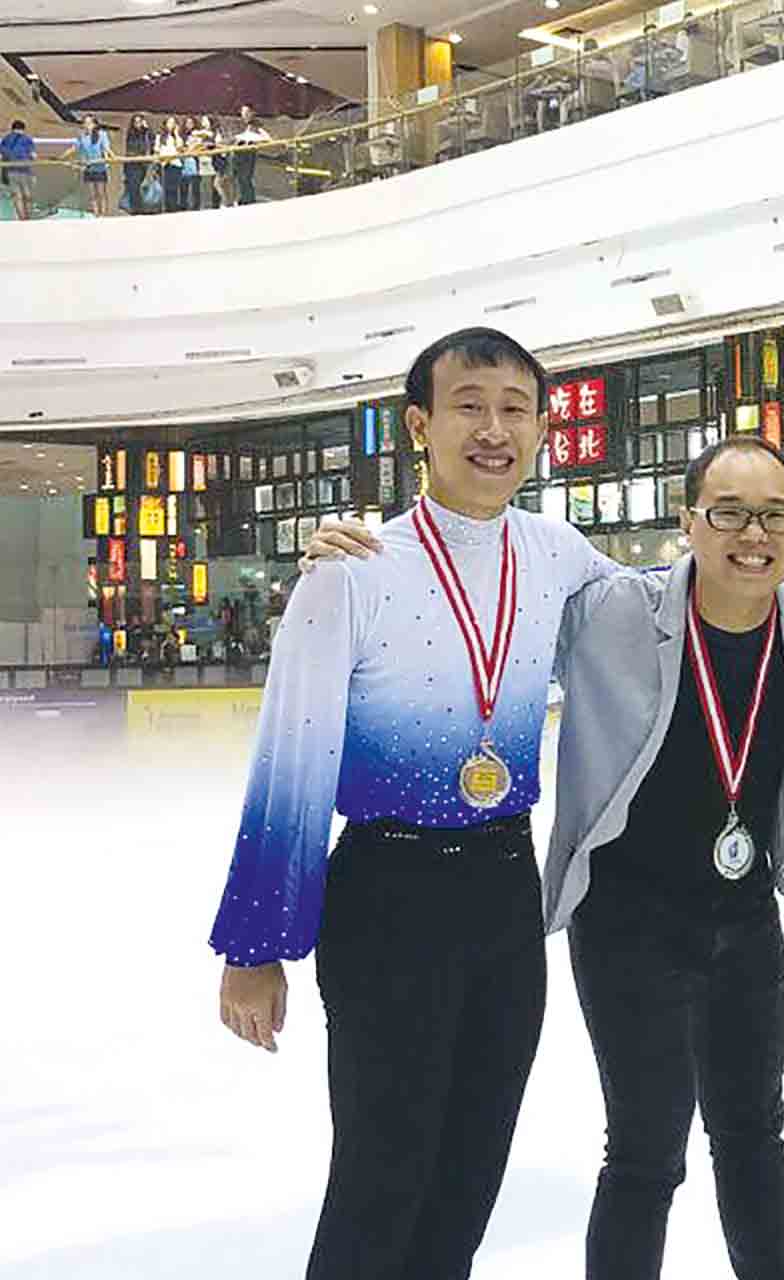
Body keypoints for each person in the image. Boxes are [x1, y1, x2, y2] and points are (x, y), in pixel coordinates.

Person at [210, 329, 626, 1279]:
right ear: (418, 426)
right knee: (380, 1180)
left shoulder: (555, 551)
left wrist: (780, 569)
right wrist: (256, 947)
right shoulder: (350, 570)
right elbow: (291, 761)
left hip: (505, 894)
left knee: (469, 1177)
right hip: (389, 896)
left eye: (515, 409)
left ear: (542, 430)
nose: (493, 430)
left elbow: (662, 617)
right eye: (469, 406)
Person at [544, 434, 784, 1280]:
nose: (752, 535)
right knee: (645, 1151)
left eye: (774, 517)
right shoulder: (612, 610)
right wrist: (364, 557)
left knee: (754, 1135)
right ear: (688, 522)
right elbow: (496, 589)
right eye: (728, 514)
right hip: (627, 924)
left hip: (744, 919)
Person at [71, 115, 112, 218]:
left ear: (94, 124)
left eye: (89, 123)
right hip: (88, 168)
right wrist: (60, 157)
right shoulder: (82, 137)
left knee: (101, 193)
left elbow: (106, 148)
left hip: (100, 168)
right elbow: (74, 148)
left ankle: (103, 214)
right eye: (85, 123)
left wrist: (112, 157)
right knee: (92, 194)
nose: (87, 125)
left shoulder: (102, 134)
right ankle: (96, 214)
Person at [232, 105, 268, 205]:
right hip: (239, 154)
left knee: (246, 177)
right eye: (243, 112)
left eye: (247, 112)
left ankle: (249, 200)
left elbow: (265, 137)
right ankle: (243, 197)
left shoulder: (256, 125)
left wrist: (254, 139)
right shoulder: (241, 125)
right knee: (240, 178)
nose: (244, 115)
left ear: (252, 113)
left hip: (248, 154)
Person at [0, 119, 34, 222]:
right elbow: (32, 155)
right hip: (24, 171)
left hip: (13, 171)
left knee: (18, 196)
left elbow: (2, 156)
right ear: (23, 129)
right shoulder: (26, 139)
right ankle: (26, 218)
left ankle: (22, 218)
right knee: (26, 195)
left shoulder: (6, 139)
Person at [123, 113, 154, 214]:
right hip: (131, 164)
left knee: (140, 188)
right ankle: (135, 211)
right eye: (136, 122)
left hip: (142, 165)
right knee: (133, 188)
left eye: (140, 122)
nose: (138, 124)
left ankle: (140, 210)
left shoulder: (146, 133)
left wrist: (147, 129)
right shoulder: (131, 134)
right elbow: (130, 148)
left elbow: (151, 143)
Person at [156, 118, 185, 213]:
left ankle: (173, 209)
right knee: (165, 188)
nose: (171, 125)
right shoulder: (160, 136)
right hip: (164, 164)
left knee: (174, 189)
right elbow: (156, 149)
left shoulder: (178, 137)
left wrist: (176, 134)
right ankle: (167, 209)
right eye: (169, 122)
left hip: (175, 164)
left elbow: (180, 148)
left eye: (173, 123)